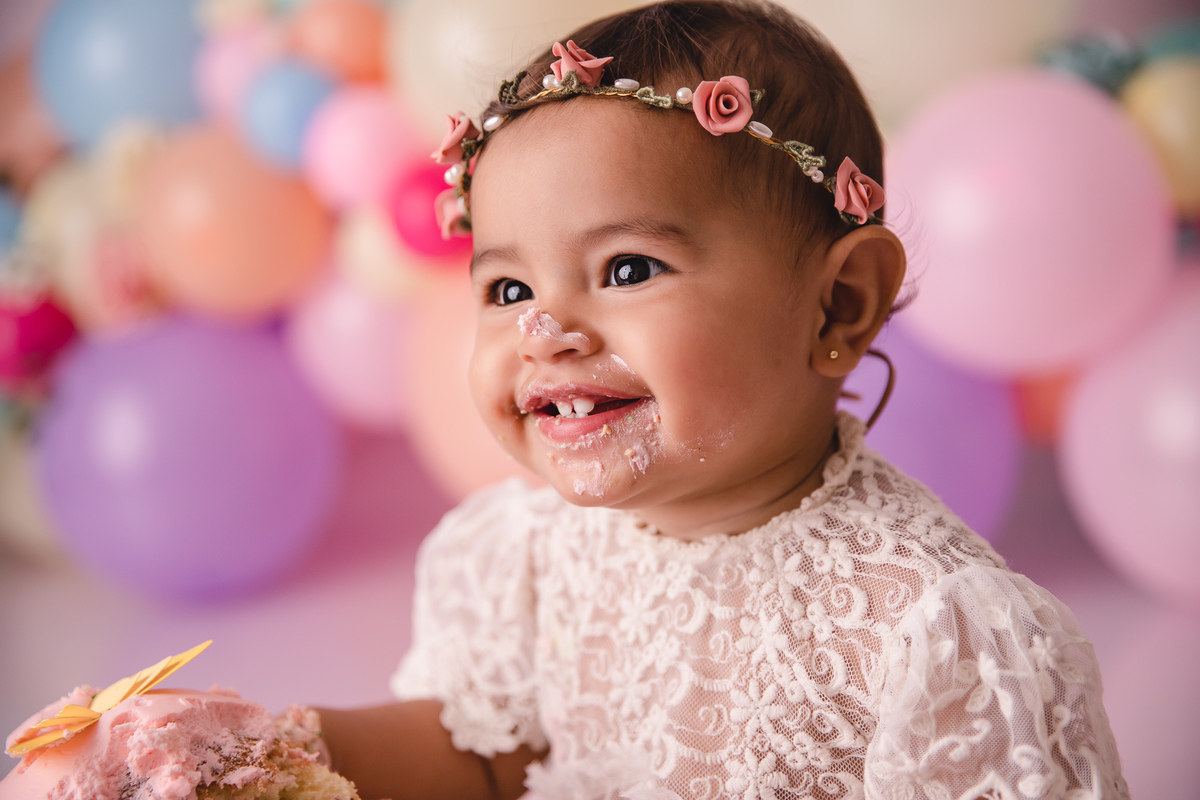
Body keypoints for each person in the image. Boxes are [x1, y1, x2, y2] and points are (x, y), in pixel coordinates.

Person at [314, 2, 1128, 798]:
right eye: (509, 285)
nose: (543, 330)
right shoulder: (523, 559)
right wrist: (283, 751)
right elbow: (485, 764)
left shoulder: (928, 634)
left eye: (628, 269)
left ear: (839, 303)